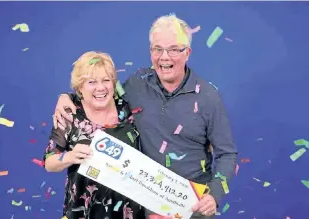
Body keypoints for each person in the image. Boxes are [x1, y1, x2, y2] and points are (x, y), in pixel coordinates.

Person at [52, 14, 238, 219]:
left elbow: (227, 154)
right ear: (151, 51)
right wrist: (67, 97)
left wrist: (214, 196)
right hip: (144, 210)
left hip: (191, 209)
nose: (164, 57)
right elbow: (100, 93)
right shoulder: (136, 84)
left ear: (187, 53)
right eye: (158, 49)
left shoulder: (208, 97)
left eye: (173, 49)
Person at [43, 51, 144, 219]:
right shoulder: (70, 114)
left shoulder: (127, 109)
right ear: (80, 87)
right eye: (91, 82)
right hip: (84, 211)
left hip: (129, 210)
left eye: (106, 80)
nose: (101, 88)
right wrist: (70, 156)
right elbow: (49, 161)